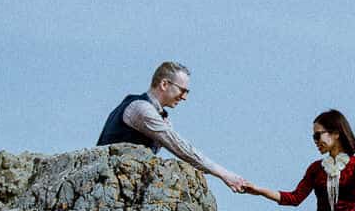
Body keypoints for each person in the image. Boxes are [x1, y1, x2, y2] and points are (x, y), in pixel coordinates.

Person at [97, 60, 252, 194]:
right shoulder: (141, 109)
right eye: (182, 90)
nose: (184, 97)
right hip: (108, 182)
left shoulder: (159, 116)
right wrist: (225, 175)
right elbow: (181, 148)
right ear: (164, 84)